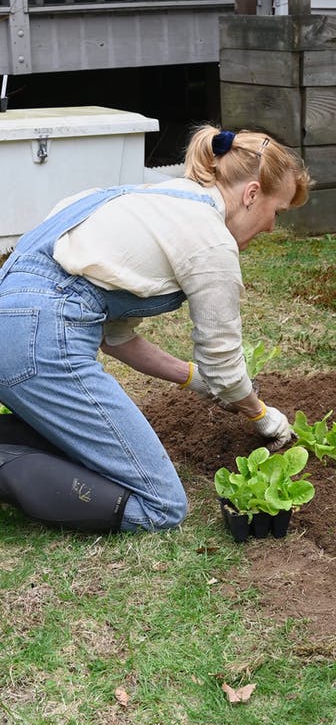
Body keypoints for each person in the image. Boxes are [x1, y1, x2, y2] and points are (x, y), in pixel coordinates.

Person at [0, 124, 311, 533]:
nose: (272, 227)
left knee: (86, 452)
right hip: (40, 345)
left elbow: (117, 337)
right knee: (161, 505)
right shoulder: (210, 240)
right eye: (277, 211)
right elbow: (224, 367)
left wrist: (190, 379)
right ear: (252, 194)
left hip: (17, 329)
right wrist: (261, 414)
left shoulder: (152, 199)